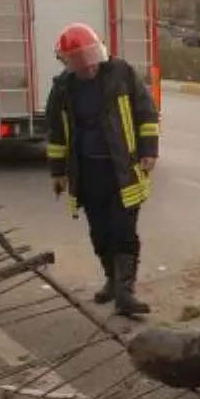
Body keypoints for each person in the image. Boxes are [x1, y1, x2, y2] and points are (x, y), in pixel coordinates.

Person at [46, 23, 160, 318]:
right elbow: (56, 134)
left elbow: (146, 111)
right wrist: (58, 172)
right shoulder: (63, 88)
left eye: (90, 57)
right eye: (80, 60)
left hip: (121, 169)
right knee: (100, 232)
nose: (88, 65)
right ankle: (112, 280)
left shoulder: (121, 74)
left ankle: (126, 293)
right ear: (69, 62)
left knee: (124, 230)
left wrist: (148, 150)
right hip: (87, 173)